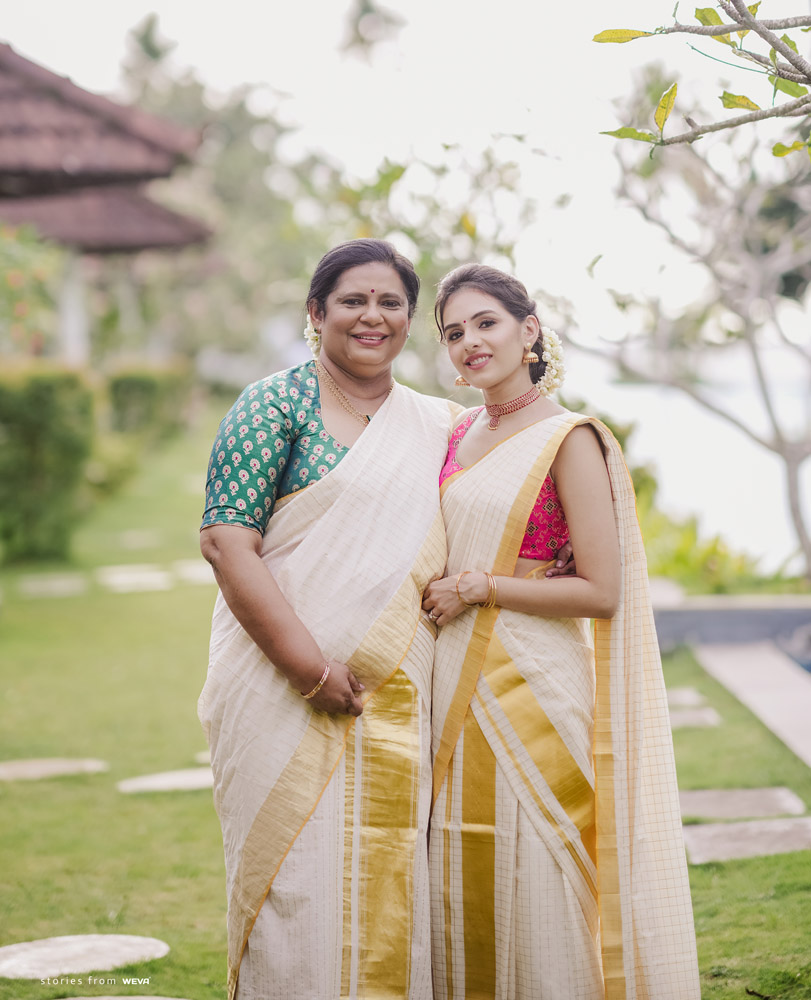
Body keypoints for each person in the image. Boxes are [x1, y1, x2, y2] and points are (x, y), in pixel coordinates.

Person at [422, 264, 701, 1000]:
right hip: (450, 679)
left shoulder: (568, 437)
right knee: (458, 875)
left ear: (529, 328)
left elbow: (600, 591)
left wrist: (481, 587)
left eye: (486, 323)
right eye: (453, 333)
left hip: (534, 684)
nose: (470, 343)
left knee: (539, 873)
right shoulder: (455, 434)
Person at [197, 239, 464, 1000]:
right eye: (352, 300)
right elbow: (226, 543)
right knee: (293, 888)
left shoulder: (438, 423)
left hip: (399, 697)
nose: (371, 317)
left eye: (389, 303)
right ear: (316, 314)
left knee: (390, 875)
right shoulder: (274, 404)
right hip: (278, 693)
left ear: (410, 320)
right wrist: (309, 671)